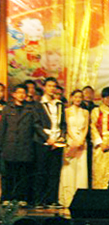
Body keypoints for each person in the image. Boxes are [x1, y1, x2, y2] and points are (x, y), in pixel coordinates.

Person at [33, 77, 67, 207]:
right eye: (49, 86)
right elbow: (36, 124)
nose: (52, 88)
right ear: (44, 87)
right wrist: (47, 138)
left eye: (54, 86)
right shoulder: (38, 104)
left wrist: (62, 136)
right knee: (41, 171)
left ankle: (52, 199)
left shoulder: (59, 104)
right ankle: (39, 200)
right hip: (43, 142)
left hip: (57, 142)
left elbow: (63, 124)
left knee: (54, 172)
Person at [0, 84, 36, 206]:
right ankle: (7, 197)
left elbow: (35, 127)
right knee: (8, 174)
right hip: (9, 145)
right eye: (19, 92)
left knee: (23, 174)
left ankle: (21, 197)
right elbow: (2, 128)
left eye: (23, 93)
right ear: (13, 94)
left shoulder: (30, 109)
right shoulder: (7, 109)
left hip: (25, 146)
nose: (21, 95)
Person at [59, 89, 89, 207]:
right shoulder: (67, 111)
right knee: (69, 168)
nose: (78, 99)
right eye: (76, 97)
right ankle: (67, 197)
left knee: (81, 169)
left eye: (80, 97)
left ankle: (80, 198)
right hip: (71, 141)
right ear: (72, 98)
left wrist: (81, 139)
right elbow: (67, 127)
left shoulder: (85, 112)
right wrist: (75, 139)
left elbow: (86, 127)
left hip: (82, 141)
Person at [82, 86, 97, 189]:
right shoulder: (79, 107)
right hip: (82, 139)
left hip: (93, 140)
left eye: (90, 93)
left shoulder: (96, 108)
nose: (88, 95)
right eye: (86, 93)